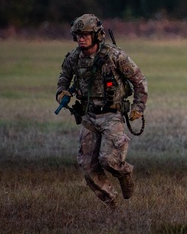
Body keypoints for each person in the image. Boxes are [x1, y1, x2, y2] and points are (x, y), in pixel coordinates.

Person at [56, 14, 148, 206]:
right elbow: (63, 78)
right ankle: (111, 201)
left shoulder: (115, 56)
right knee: (87, 165)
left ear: (96, 35)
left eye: (85, 35)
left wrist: (138, 107)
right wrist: (62, 92)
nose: (81, 39)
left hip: (111, 115)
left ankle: (125, 173)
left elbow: (139, 81)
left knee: (108, 160)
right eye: (78, 35)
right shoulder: (74, 58)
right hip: (89, 116)